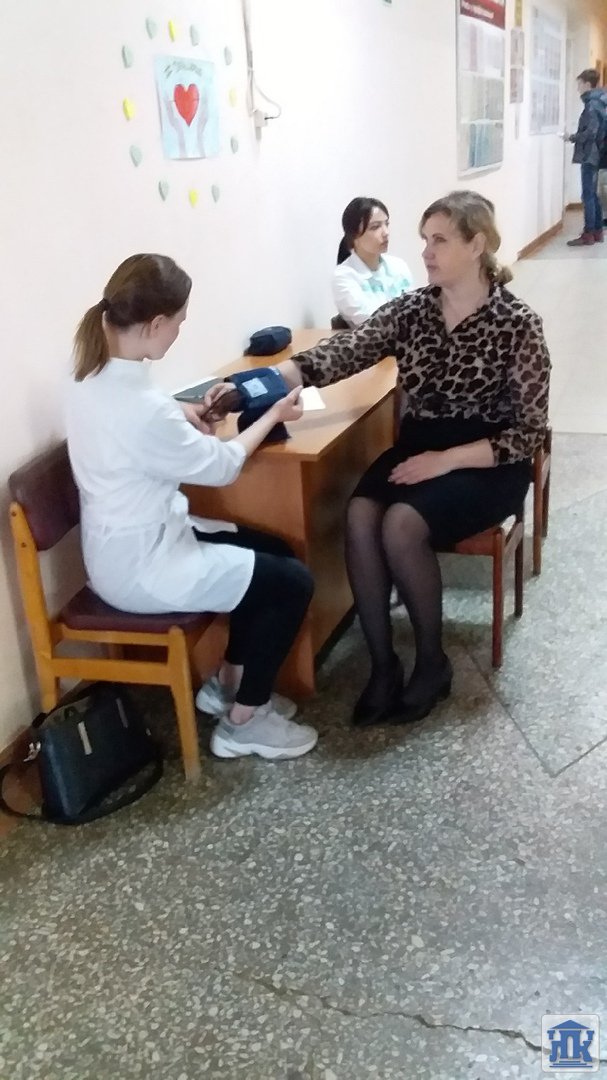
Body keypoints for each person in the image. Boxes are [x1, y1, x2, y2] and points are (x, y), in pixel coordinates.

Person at [205, 191, 551, 729]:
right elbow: (338, 354)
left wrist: (446, 461)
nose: (426, 252)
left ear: (476, 244)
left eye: (440, 240)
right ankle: (383, 666)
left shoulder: (518, 324)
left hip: (487, 461)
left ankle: (432, 665)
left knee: (401, 523)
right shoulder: (413, 310)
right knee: (361, 514)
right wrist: (245, 387)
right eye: (425, 239)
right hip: (419, 447)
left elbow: (528, 433)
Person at [66, 253, 318, 761]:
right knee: (292, 583)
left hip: (127, 543)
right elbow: (222, 466)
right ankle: (244, 723)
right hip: (144, 567)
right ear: (155, 324)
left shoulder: (90, 373)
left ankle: (228, 684)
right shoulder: (142, 408)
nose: (179, 333)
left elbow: (141, 425)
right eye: (179, 323)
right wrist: (272, 414)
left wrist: (183, 413)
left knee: (273, 550)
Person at [333, 197, 414, 327]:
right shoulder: (344, 276)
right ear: (354, 235)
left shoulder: (399, 266)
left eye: (386, 224)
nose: (386, 232)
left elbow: (415, 311)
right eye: (375, 227)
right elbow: (372, 322)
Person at [564, 68, 607, 246]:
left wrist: (571, 137)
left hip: (590, 155)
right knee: (593, 194)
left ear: (588, 84)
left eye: (580, 84)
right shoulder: (600, 102)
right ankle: (597, 230)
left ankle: (589, 233)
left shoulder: (591, 105)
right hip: (598, 153)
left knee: (587, 194)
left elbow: (591, 133)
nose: (578, 88)